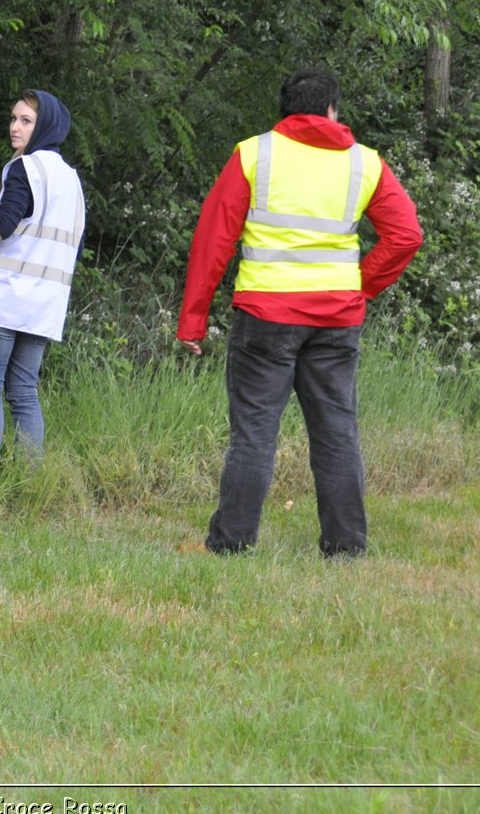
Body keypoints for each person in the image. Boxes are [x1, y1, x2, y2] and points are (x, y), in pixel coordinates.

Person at [178, 68, 423, 557]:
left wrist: (193, 321)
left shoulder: (255, 154)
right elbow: (406, 236)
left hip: (265, 317)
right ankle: (346, 550)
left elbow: (213, 242)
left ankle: (230, 545)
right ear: (332, 109)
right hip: (336, 320)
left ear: (285, 110)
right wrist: (359, 287)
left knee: (254, 434)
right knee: (336, 434)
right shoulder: (365, 163)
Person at [0, 91, 86, 486]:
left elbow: (2, 227)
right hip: (45, 304)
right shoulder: (72, 180)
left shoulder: (24, 168)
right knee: (25, 392)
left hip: (5, 297)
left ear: (43, 127)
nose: (15, 126)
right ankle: (29, 486)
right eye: (13, 118)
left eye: (26, 120)